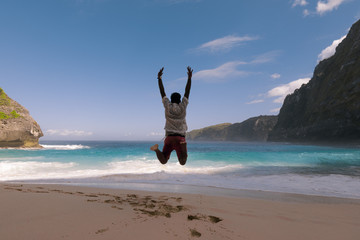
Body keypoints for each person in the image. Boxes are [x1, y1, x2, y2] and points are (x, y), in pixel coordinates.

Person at [150, 66, 192, 165]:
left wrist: (159, 79)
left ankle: (156, 150)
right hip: (180, 137)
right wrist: (189, 78)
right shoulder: (183, 106)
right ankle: (183, 146)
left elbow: (162, 92)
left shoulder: (167, 106)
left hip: (169, 138)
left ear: (171, 99)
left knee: (164, 160)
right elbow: (187, 92)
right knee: (182, 162)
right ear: (180, 100)